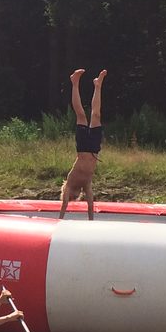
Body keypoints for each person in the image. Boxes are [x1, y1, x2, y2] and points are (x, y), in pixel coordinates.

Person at [58, 67, 107, 219]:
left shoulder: (70, 180)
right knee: (96, 115)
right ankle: (98, 85)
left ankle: (74, 83)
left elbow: (64, 202)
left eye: (73, 195)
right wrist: (91, 221)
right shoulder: (86, 184)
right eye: (76, 196)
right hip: (93, 149)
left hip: (83, 147)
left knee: (81, 115)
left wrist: (60, 219)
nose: (76, 195)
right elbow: (91, 203)